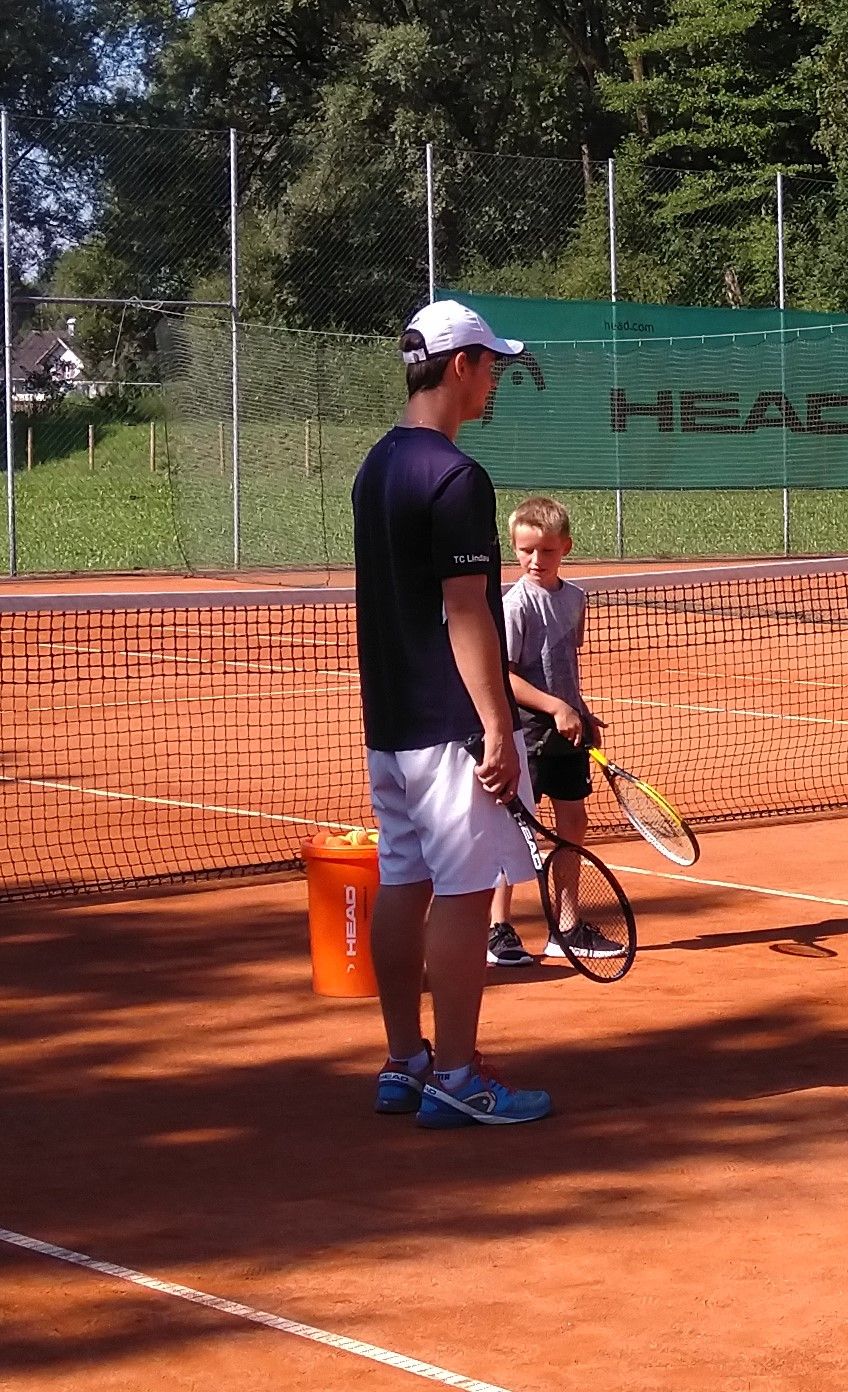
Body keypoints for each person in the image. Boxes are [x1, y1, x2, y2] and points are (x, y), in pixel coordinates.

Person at [357, 298, 551, 1128]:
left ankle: (405, 1062)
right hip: (449, 727)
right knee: (466, 895)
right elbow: (467, 609)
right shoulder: (456, 476)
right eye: (491, 364)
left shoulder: (376, 466)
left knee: (404, 882)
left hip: (391, 723)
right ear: (462, 365)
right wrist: (499, 726)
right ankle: (460, 1077)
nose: (495, 379)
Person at [487, 496, 609, 967]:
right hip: (524, 733)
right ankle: (498, 929)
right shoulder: (514, 606)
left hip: (566, 732)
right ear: (514, 549)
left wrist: (581, 711)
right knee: (513, 832)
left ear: (566, 548)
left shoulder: (575, 599)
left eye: (547, 551)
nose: (536, 560)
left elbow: (564, 668)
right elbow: (505, 677)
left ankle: (567, 927)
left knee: (572, 822)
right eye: (526, 550)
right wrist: (557, 707)